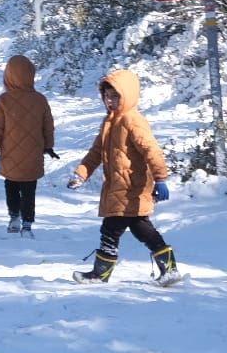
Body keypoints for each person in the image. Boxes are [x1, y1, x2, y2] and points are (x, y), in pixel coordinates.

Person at [69, 69, 181, 284]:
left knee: (111, 229)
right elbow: (95, 154)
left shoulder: (132, 120)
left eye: (115, 96)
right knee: (141, 228)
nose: (110, 101)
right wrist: (81, 174)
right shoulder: (109, 123)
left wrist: (161, 178)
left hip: (133, 187)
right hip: (118, 188)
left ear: (127, 95)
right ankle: (169, 269)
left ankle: (100, 274)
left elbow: (151, 149)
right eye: (107, 96)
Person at [0, 54, 57, 235]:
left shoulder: (4, 100)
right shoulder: (40, 100)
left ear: (8, 75)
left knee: (11, 186)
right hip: (33, 157)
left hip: (10, 156)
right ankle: (27, 223)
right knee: (29, 190)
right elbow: (48, 126)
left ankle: (14, 216)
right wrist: (48, 146)